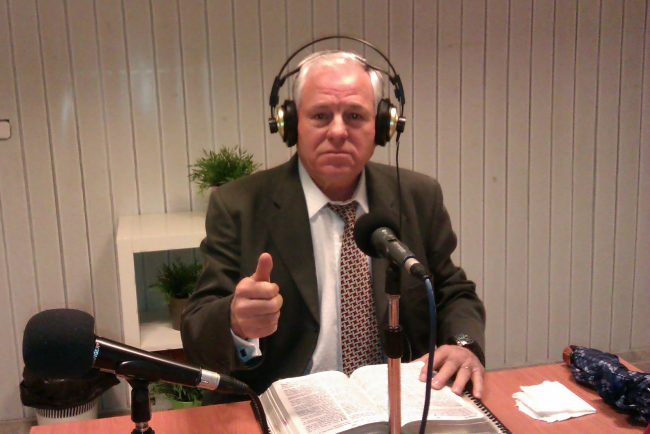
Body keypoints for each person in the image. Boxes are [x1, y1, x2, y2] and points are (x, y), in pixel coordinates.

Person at [181, 50, 486, 404]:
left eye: (355, 116)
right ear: (291, 124)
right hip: (288, 410)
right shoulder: (239, 204)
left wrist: (463, 345)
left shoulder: (418, 197)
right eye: (321, 115)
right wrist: (235, 322)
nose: (338, 132)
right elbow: (197, 327)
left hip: (397, 403)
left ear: (382, 126)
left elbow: (452, 291)